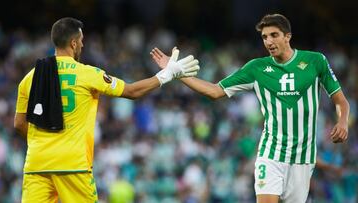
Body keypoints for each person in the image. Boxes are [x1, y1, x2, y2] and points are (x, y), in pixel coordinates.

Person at [150, 13, 350, 203]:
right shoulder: (256, 68)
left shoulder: (316, 61)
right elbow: (214, 91)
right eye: (264, 37)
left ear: (288, 36)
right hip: (271, 155)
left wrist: (342, 121)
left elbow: (341, 101)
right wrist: (176, 73)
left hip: (303, 159)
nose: (269, 41)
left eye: (274, 35)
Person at [14, 17, 199, 202]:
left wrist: (43, 146)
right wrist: (167, 74)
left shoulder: (30, 78)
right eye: (81, 40)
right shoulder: (88, 74)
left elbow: (19, 124)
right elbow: (132, 91)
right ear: (73, 42)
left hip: (36, 164)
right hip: (73, 164)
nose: (83, 45)